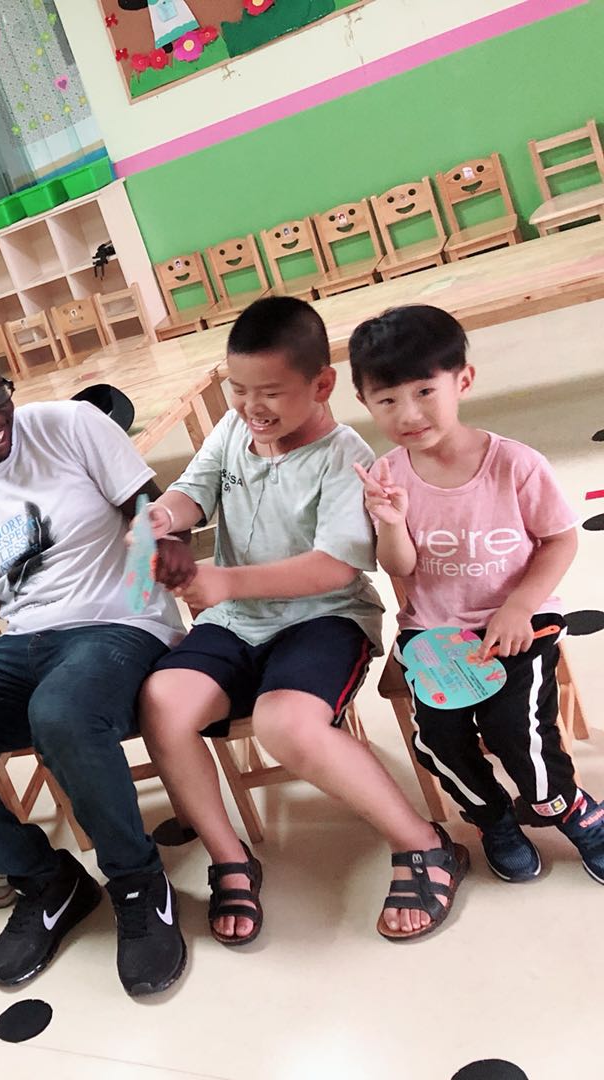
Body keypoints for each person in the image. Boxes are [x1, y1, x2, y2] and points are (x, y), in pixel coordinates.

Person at [139, 296, 469, 948]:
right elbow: (194, 491)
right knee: (161, 703)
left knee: (284, 723)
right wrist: (163, 517)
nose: (251, 407)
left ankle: (424, 844)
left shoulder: (345, 456)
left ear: (322, 385)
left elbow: (332, 569)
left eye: (270, 393)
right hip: (235, 622)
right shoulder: (234, 429)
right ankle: (231, 857)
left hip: (324, 619)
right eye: (238, 390)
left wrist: (223, 580)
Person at [0, 331, 191, 998]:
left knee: (60, 712)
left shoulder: (73, 425)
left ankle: (138, 883)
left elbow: (154, 511)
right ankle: (46, 880)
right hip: (27, 646)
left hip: (123, 624)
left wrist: (159, 548)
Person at [350, 304, 602, 884]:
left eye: (424, 392)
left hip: (519, 624)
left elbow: (560, 540)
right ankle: (494, 821)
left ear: (462, 380)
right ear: (365, 402)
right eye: (387, 400)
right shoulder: (388, 475)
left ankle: (570, 809)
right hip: (432, 633)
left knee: (519, 734)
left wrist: (519, 606)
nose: (408, 414)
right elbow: (399, 567)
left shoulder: (514, 463)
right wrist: (391, 521)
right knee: (437, 740)